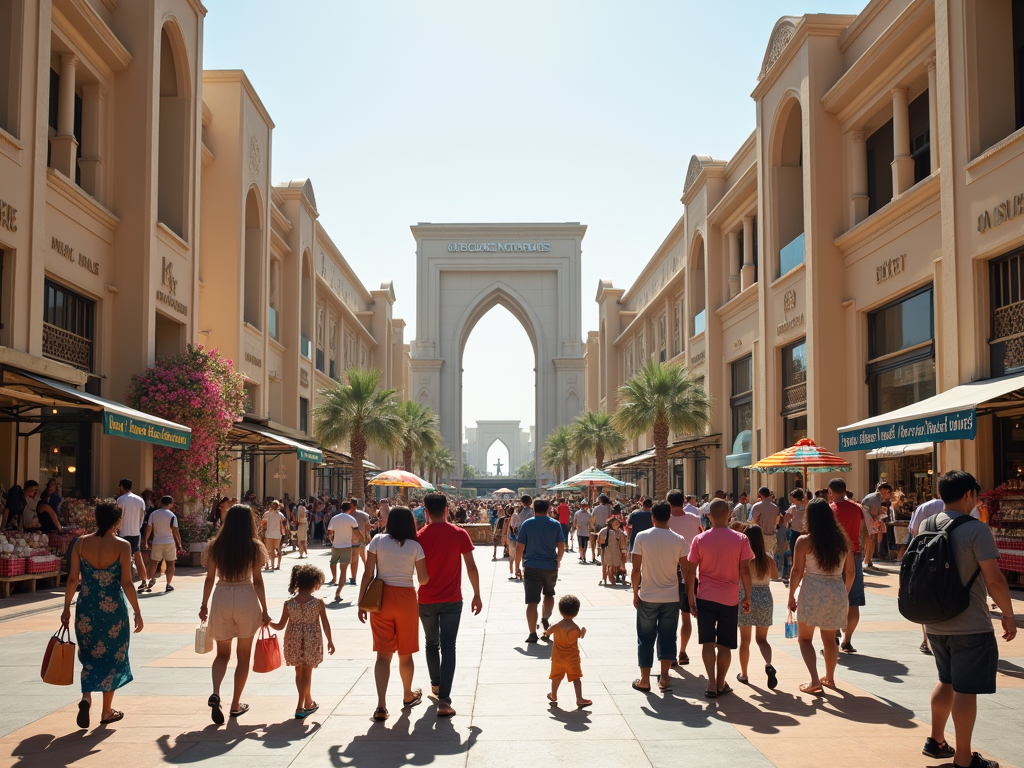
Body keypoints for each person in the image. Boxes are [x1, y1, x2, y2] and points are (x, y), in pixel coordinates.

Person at [919, 471, 1016, 768]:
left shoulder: (927, 523)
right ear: (968, 495)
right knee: (965, 688)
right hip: (970, 623)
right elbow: (995, 580)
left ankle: (936, 741)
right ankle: (963, 757)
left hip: (934, 620)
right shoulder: (976, 529)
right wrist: (1009, 615)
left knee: (945, 680)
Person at [61, 503, 143, 728]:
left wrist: (66, 607)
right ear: (117, 521)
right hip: (113, 611)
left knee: (88, 655)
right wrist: (137, 611)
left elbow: (72, 579)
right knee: (113, 657)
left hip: (86, 607)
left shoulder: (81, 543)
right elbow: (127, 582)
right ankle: (106, 711)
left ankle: (86, 698)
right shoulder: (123, 546)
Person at [200, 504, 272, 724]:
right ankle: (235, 704)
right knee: (243, 656)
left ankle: (216, 692)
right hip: (245, 596)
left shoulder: (215, 546)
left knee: (222, 654)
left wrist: (204, 605)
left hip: (222, 594)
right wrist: (265, 609)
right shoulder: (254, 547)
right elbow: (258, 580)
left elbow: (210, 578)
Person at [357, 507, 429, 722]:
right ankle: (407, 695)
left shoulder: (378, 541)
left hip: (381, 598)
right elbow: (423, 579)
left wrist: (362, 602)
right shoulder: (415, 546)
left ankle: (381, 705)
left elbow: (368, 573)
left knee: (383, 654)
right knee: (405, 654)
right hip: (406, 598)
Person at [417, 493, 483, 717]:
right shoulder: (459, 533)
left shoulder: (418, 536)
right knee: (448, 646)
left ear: (425, 511)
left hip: (426, 598)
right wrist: (477, 594)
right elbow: (471, 567)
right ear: (446, 509)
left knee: (430, 643)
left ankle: (435, 685)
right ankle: (444, 700)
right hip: (452, 599)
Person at [787, 497, 855, 694]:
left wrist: (791, 595)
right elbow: (850, 572)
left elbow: (796, 571)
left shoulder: (804, 541)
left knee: (805, 639)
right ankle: (830, 678)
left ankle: (815, 679)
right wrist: (845, 594)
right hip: (836, 589)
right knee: (829, 638)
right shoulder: (843, 542)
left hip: (812, 591)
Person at [687, 498, 753, 699]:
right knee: (724, 643)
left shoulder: (699, 539)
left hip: (705, 595)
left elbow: (691, 572)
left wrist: (690, 596)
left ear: (709, 516)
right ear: (728, 514)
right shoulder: (741, 539)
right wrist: (748, 596)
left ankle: (711, 683)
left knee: (707, 642)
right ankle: (721, 682)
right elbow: (745, 570)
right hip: (729, 598)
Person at [630, 501, 688, 693]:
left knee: (645, 637)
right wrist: (689, 595)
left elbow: (636, 569)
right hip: (671, 597)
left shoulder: (642, 537)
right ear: (669, 516)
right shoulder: (679, 539)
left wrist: (634, 592)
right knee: (667, 636)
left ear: (652, 517)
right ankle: (664, 678)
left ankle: (644, 680)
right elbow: (686, 572)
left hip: (648, 595)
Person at [271, 564, 335, 719]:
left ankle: (308, 702)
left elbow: (280, 626)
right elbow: (325, 623)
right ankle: (300, 706)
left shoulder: (289, 604)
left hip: (293, 640)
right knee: (307, 672)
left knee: (299, 671)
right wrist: (330, 641)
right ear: (314, 583)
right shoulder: (318, 603)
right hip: (311, 640)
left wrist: (267, 622)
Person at [516, 498, 565, 643]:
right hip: (550, 566)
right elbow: (561, 545)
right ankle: (545, 618)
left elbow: (519, 548)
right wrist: (558, 560)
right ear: (549, 508)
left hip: (531, 566)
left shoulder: (527, 524)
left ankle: (532, 634)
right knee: (549, 594)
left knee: (532, 602)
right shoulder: (555, 524)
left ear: (534, 508)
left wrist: (518, 565)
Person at [736, 525, 778, 688]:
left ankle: (744, 674)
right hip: (765, 597)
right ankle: (768, 664)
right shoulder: (767, 558)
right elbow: (775, 575)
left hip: (746, 596)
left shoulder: (743, 558)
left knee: (745, 640)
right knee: (762, 640)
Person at [828, 477, 866, 653]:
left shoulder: (830, 509)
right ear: (845, 490)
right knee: (854, 601)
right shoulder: (857, 509)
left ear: (830, 492)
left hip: (834, 557)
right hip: (855, 554)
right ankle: (847, 640)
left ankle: (833, 632)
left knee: (832, 597)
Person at [667, 490, 703, 666]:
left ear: (668, 502)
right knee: (686, 614)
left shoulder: (664, 519)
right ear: (684, 501)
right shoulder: (694, 519)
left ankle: (670, 653)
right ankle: (682, 651)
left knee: (668, 615)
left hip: (669, 570)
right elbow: (701, 537)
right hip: (690, 571)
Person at [543, 594, 592, 708]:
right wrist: (582, 632)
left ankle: (554, 695)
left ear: (560, 610)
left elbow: (547, 632)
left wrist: (546, 630)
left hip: (558, 657)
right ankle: (579, 698)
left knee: (556, 677)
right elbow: (577, 637)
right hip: (572, 658)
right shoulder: (575, 627)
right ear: (576, 612)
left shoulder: (557, 625)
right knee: (576, 678)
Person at [141, 496, 181, 593]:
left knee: (153, 562)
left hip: (157, 542)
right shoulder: (172, 515)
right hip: (169, 542)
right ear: (170, 503)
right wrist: (179, 543)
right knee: (170, 563)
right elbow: (175, 531)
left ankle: (149, 581)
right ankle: (168, 584)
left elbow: (149, 528)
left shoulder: (154, 514)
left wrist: (145, 540)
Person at [116, 479, 148, 590]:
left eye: (120, 486)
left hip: (123, 532)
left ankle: (123, 581)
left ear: (122, 486)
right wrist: (138, 527)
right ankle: (144, 581)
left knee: (122, 558)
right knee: (138, 556)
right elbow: (142, 517)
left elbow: (119, 516)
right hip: (135, 532)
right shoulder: (140, 500)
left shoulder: (120, 500)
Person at [327, 501, 360, 599]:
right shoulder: (352, 519)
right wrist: (363, 539)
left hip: (336, 546)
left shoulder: (334, 518)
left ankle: (334, 578)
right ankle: (338, 593)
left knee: (332, 563)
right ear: (350, 508)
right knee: (344, 571)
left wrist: (331, 539)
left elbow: (330, 532)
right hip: (346, 547)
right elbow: (357, 532)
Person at [860, 482, 892, 570]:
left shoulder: (875, 497)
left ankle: (868, 560)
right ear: (884, 490)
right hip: (867, 519)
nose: (888, 494)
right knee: (870, 540)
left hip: (868, 519)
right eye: (888, 492)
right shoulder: (874, 498)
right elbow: (873, 512)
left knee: (870, 540)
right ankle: (867, 561)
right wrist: (879, 516)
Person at [782, 489, 807, 582]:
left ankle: (795, 572)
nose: (792, 500)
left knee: (794, 553)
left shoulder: (793, 508)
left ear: (796, 498)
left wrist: (787, 527)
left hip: (795, 533)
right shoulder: (806, 507)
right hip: (804, 532)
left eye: (793, 498)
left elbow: (786, 519)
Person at [750, 487, 780, 558]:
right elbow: (777, 523)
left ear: (761, 495)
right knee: (771, 557)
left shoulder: (757, 506)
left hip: (760, 536)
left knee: (760, 557)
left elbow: (754, 522)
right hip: (772, 536)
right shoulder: (776, 507)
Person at [598, 517, 627, 585]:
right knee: (607, 566)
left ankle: (613, 578)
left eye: (618, 523)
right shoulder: (604, 531)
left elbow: (622, 543)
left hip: (616, 551)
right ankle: (604, 578)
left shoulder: (619, 532)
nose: (617, 525)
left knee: (614, 566)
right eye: (615, 524)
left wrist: (623, 552)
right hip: (607, 551)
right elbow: (599, 541)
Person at [348, 502, 372, 585]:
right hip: (362, 541)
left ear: (353, 505)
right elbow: (368, 527)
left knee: (354, 561)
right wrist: (367, 536)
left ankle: (353, 578)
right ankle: (369, 575)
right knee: (364, 559)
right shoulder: (364, 515)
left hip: (353, 542)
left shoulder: (348, 515)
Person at [261, 500, 287, 571]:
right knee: (278, 550)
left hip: (269, 534)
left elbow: (263, 522)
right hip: (277, 534)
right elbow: (284, 520)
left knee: (269, 551)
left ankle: (269, 565)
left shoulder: (267, 514)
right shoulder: (280, 514)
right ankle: (278, 565)